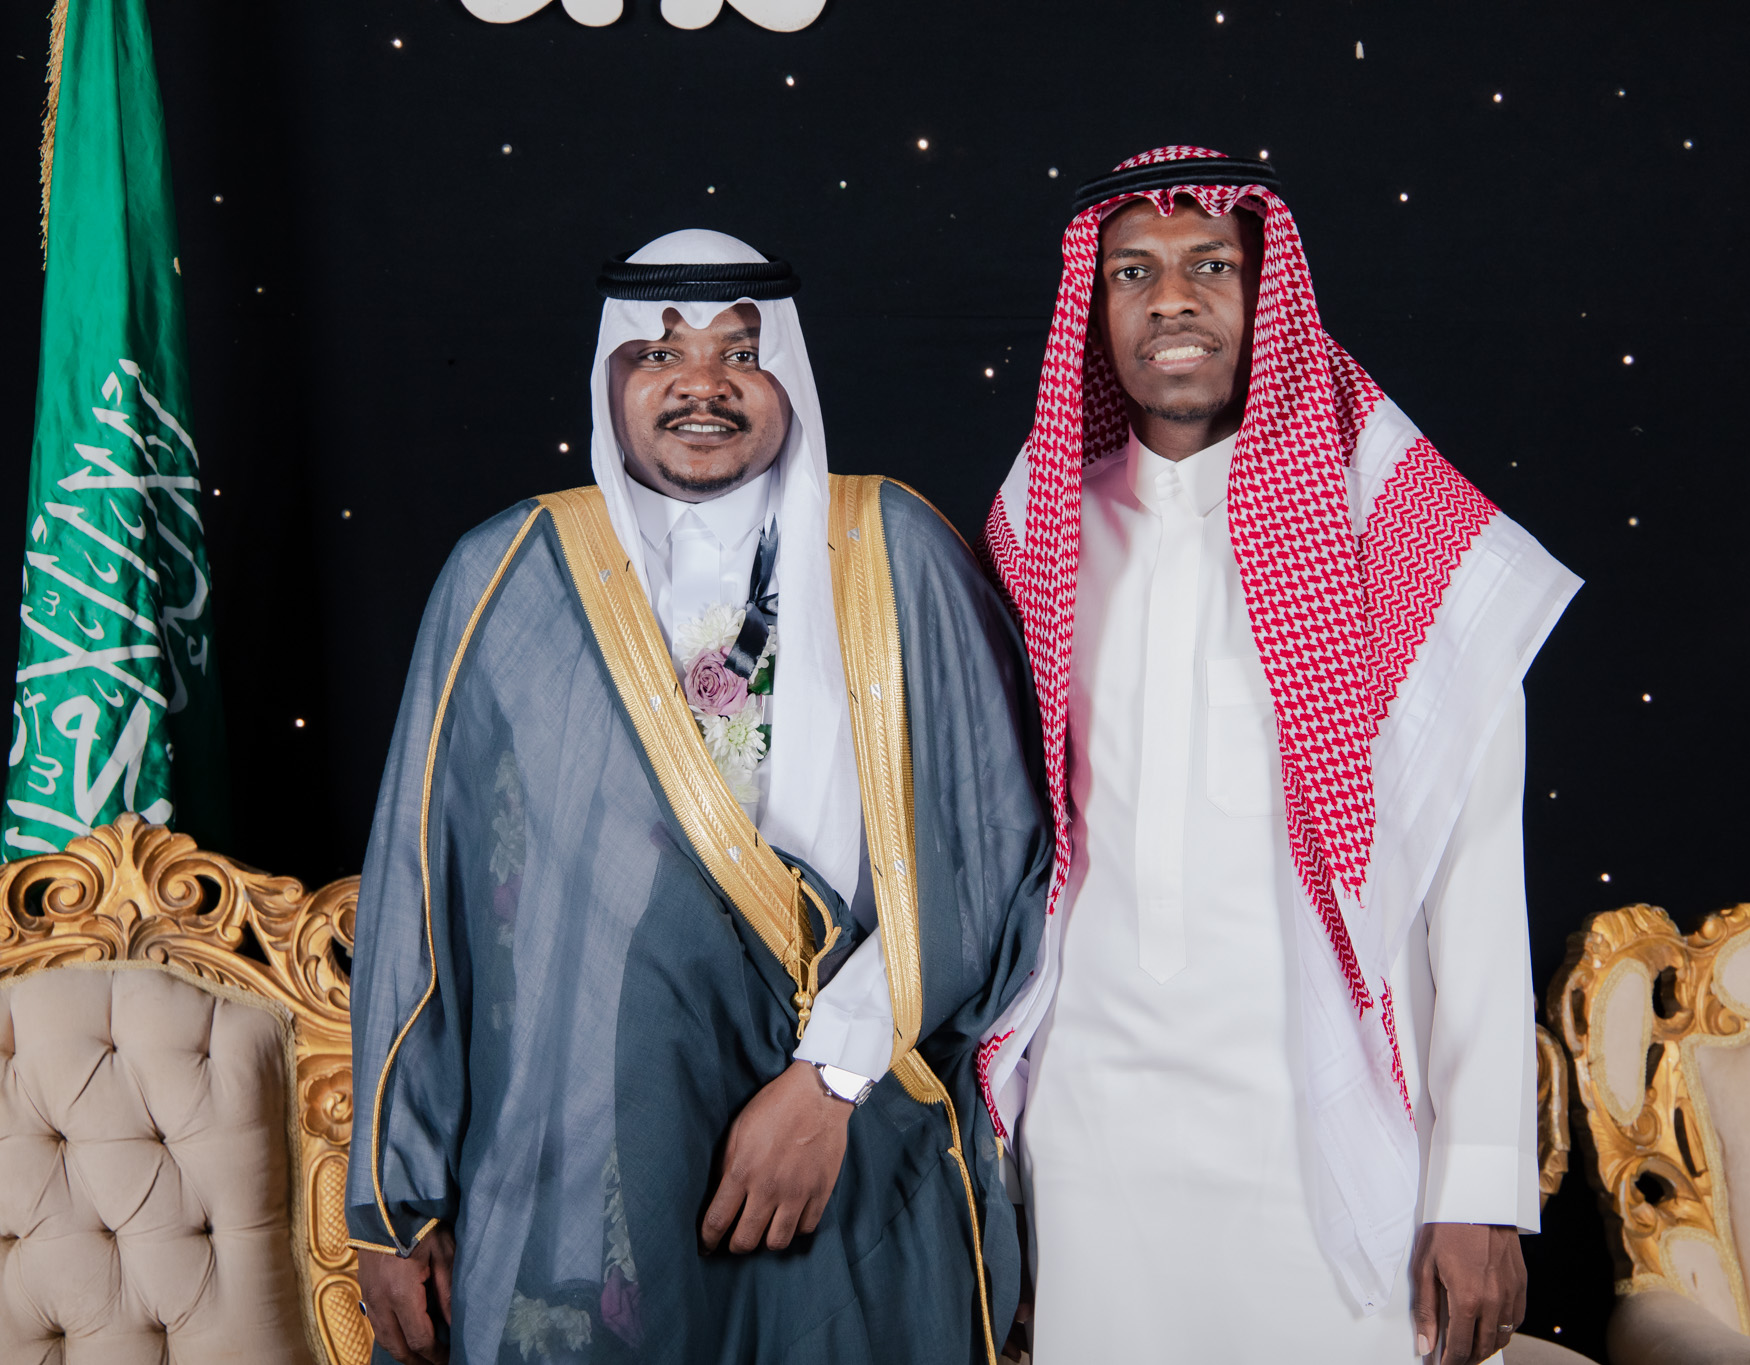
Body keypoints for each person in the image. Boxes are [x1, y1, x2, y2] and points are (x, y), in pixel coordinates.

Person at [346, 229, 1050, 1365]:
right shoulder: (508, 577)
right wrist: (394, 1202)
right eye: (660, 353)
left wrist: (830, 1080)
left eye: (741, 352)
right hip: (580, 1155)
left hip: (846, 1143)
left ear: (790, 375)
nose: (702, 384)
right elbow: (421, 904)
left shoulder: (895, 550)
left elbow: (989, 851)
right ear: (611, 375)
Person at [977, 149, 1581, 1365]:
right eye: (1132, 273)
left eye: (1211, 266)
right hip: (1095, 1141)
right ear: (1094, 309)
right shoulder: (1036, 527)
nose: (1172, 300)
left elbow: (1474, 883)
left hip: (1324, 1130)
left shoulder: (1399, 531)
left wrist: (1476, 1186)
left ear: (1270, 296)